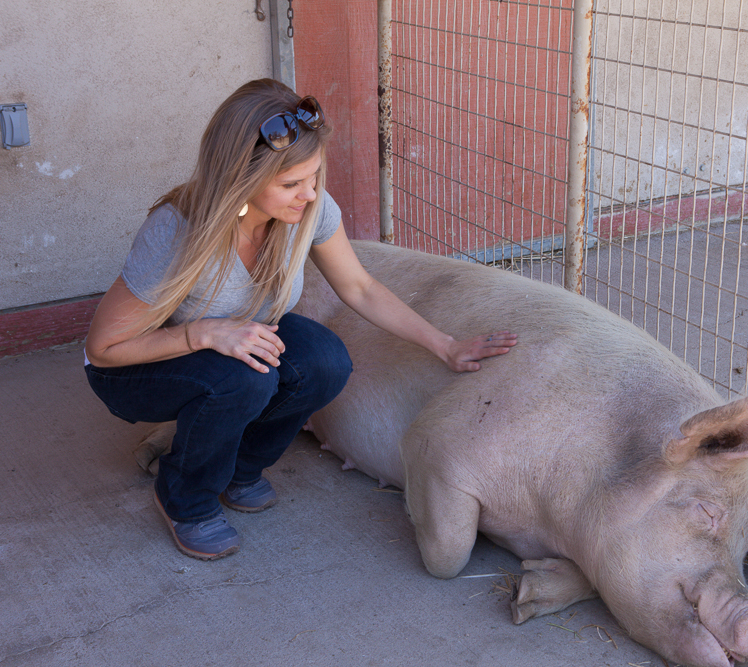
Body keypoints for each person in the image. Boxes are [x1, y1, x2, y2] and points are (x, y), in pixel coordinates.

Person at [84, 78, 516, 561]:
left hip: (234, 343)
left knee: (324, 359)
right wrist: (203, 331)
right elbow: (105, 348)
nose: (309, 195)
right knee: (242, 377)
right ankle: (185, 495)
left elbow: (361, 287)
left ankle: (241, 469)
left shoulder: (308, 211)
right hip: (137, 366)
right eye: (291, 184)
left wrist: (446, 345)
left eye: (314, 177)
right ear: (240, 179)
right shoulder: (176, 231)